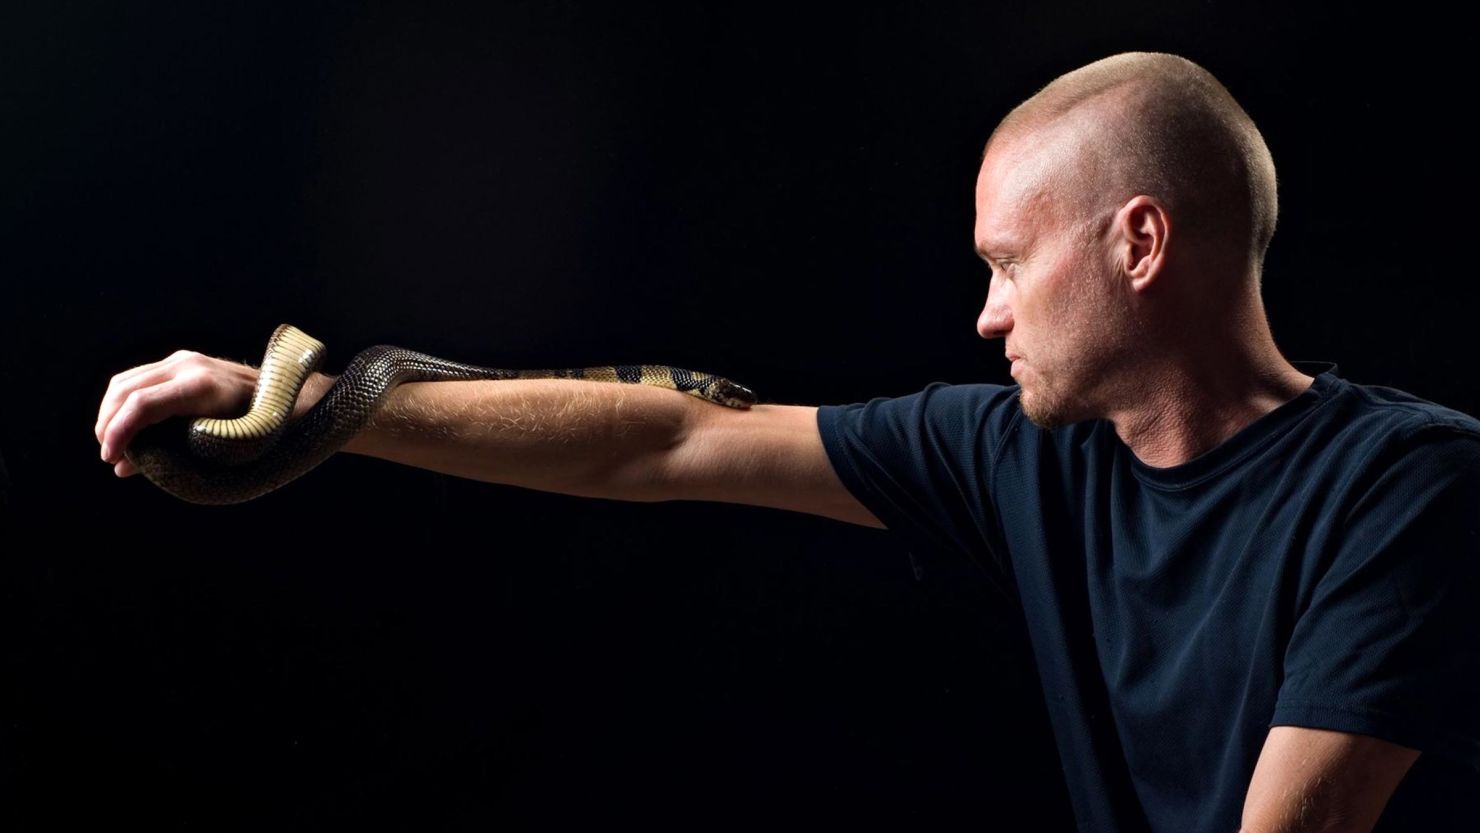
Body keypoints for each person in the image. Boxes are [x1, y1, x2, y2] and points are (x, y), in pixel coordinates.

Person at [96, 52, 1479, 831]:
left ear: (1140, 242)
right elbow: (666, 440)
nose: (987, 313)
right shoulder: (1025, 455)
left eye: (1008, 263)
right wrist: (321, 404)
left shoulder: (1405, 485)